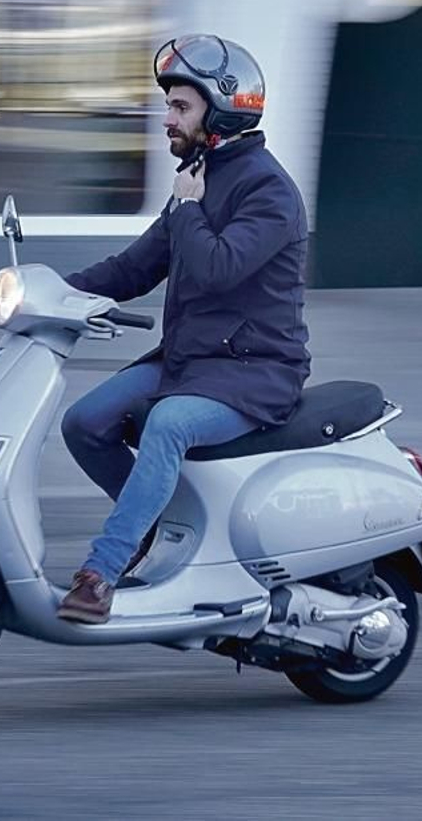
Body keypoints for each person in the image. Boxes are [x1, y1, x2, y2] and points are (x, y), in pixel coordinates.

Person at [56, 34, 311, 624]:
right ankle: (159, 526)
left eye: (180, 107)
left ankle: (102, 573)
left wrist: (190, 209)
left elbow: (218, 269)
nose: (166, 118)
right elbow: (135, 267)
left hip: (256, 373)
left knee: (167, 425)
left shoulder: (269, 192)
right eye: (167, 105)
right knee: (85, 421)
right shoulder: (198, 179)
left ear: (220, 111)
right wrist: (48, 292)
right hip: (191, 363)